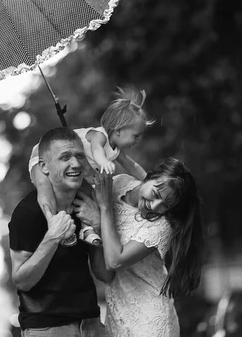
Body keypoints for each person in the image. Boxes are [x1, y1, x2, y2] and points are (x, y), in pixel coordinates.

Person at [73, 157, 204, 337]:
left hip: (150, 321)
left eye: (166, 205)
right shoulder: (119, 184)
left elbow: (115, 261)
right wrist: (95, 227)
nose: (156, 206)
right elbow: (106, 273)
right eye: (156, 194)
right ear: (150, 177)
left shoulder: (162, 225)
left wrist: (103, 212)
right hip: (117, 316)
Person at [8, 127, 115, 337]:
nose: (75, 163)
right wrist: (52, 238)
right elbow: (21, 279)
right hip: (46, 332)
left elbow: (105, 274)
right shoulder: (27, 213)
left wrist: (97, 225)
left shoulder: (85, 205)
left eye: (79, 156)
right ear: (44, 167)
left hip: (91, 325)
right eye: (65, 157)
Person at [29, 87, 154, 245]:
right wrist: (103, 162)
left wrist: (150, 180)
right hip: (42, 155)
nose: (137, 140)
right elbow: (96, 150)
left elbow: (132, 165)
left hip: (74, 171)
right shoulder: (99, 136)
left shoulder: (116, 149)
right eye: (135, 135)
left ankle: (86, 230)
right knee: (43, 186)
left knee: (93, 197)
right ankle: (52, 222)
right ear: (119, 130)